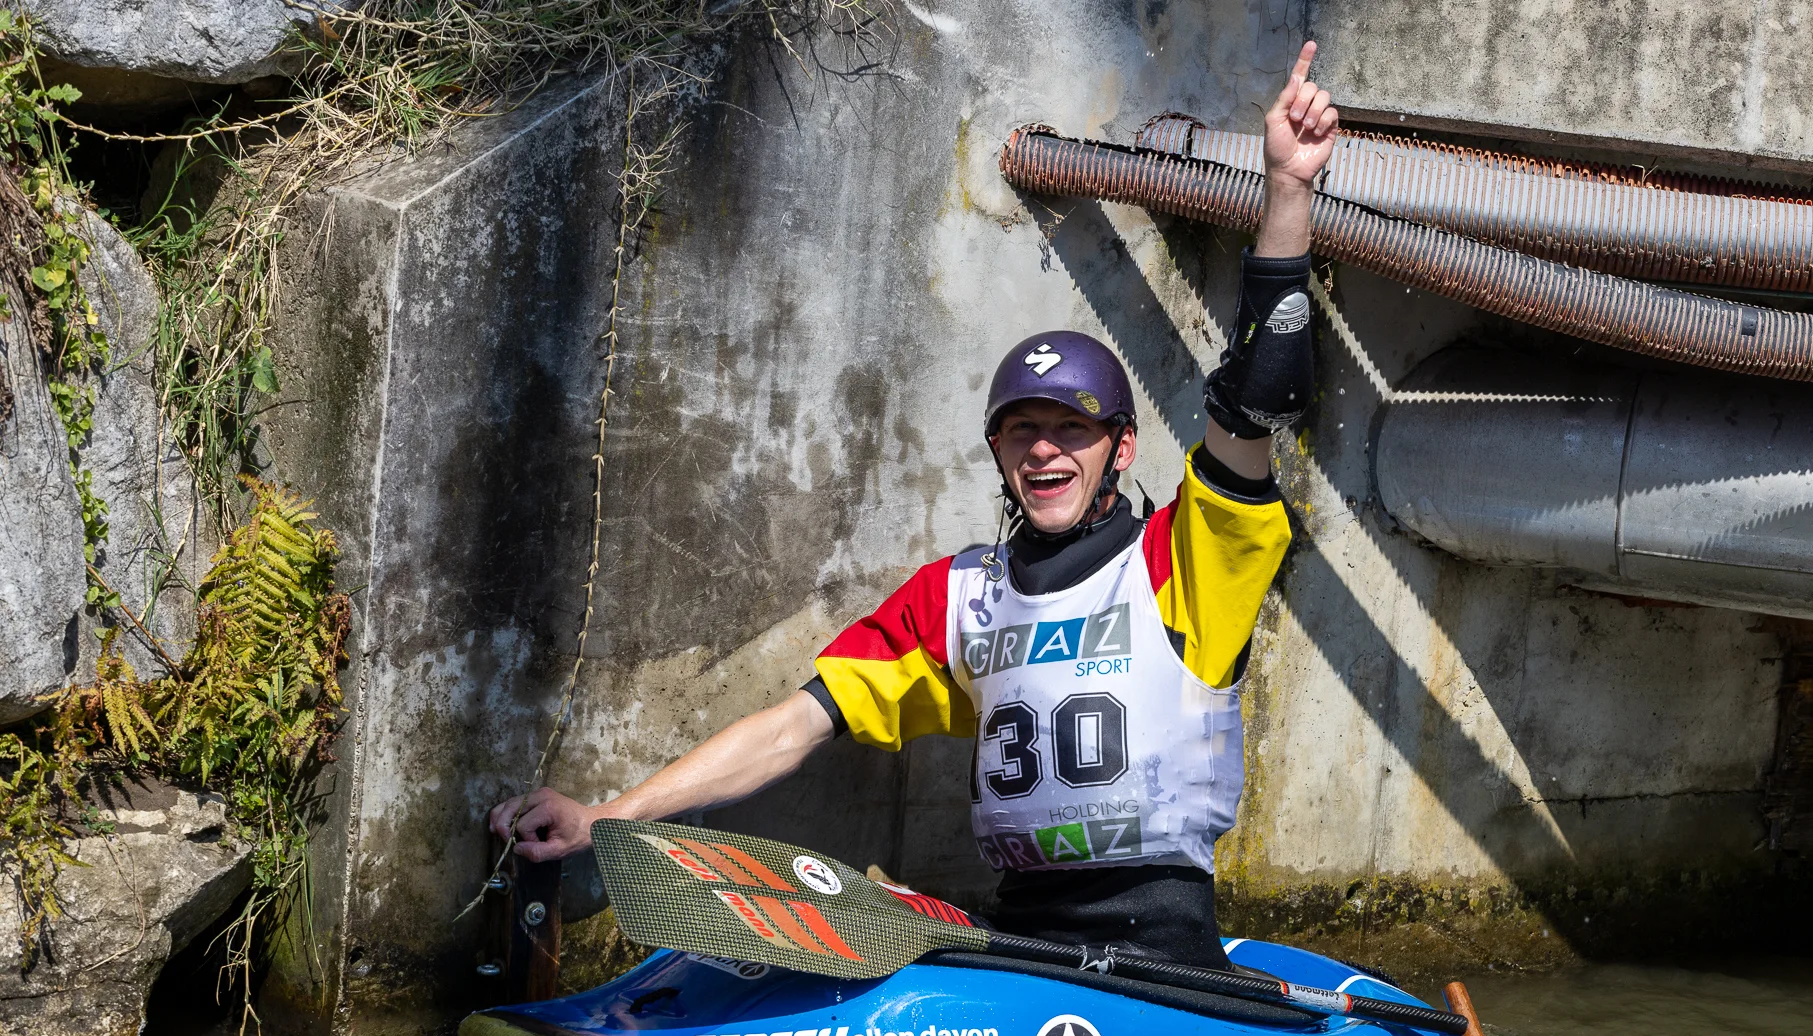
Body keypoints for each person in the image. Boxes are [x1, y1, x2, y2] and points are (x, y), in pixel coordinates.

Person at [488, 43, 1340, 972]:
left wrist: (1286, 191)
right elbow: (791, 727)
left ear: (1121, 451)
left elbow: (1256, 395)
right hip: (1024, 946)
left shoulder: (1188, 564)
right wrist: (605, 816)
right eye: (1022, 432)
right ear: (997, 453)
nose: (1045, 449)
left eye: (1072, 430)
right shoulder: (959, 598)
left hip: (1161, 954)